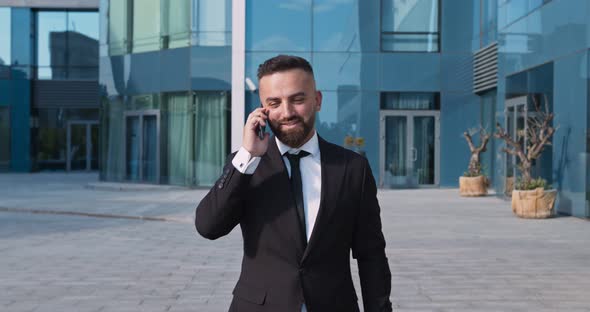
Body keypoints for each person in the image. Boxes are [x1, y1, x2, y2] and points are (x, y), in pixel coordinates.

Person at [195, 55, 392, 312]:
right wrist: (247, 156)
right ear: (262, 109)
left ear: (317, 100)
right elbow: (208, 226)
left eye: (298, 100)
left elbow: (371, 254)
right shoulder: (246, 165)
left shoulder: (352, 168)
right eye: (274, 103)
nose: (287, 112)